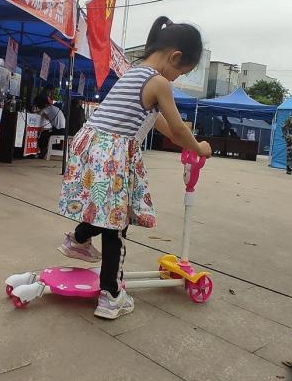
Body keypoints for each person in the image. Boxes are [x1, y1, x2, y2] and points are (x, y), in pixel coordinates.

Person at [55, 16, 212, 319]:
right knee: (117, 225)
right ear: (175, 57)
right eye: (181, 73)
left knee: (105, 212)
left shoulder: (133, 74)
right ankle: (111, 296)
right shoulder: (159, 82)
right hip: (111, 154)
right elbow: (178, 129)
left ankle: (78, 239)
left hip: (92, 148)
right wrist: (198, 147)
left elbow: (161, 123)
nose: (176, 79)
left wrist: (181, 138)